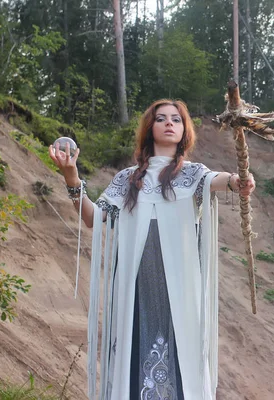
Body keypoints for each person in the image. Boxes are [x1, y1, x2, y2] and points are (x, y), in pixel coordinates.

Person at [48, 99, 255, 400]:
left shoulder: (194, 174)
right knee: (133, 365)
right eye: (161, 119)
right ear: (150, 128)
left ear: (184, 130)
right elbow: (92, 217)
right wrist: (71, 177)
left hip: (180, 294)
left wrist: (240, 181)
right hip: (136, 290)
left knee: (182, 363)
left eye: (176, 119)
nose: (170, 123)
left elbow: (224, 180)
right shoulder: (127, 179)